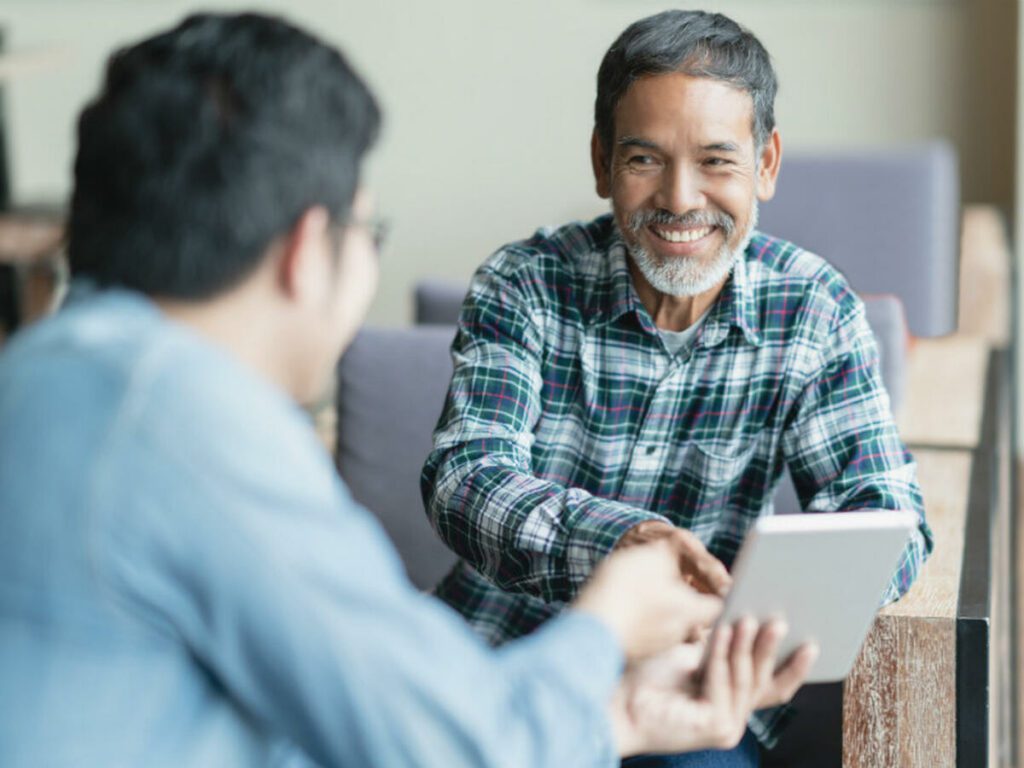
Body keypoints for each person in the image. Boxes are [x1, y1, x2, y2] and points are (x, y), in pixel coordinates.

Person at [0, 12, 817, 768]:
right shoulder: (196, 431)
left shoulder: (40, 377)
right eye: (368, 230)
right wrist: (607, 624)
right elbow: (459, 748)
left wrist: (620, 718)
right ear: (308, 249)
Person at [421, 9, 934, 766]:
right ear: (601, 163)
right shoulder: (523, 284)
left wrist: (758, 615)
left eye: (717, 161)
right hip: (506, 661)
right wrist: (624, 544)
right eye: (644, 160)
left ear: (766, 163)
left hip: (701, 686)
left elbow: (889, 519)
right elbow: (465, 479)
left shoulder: (814, 308)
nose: (681, 199)